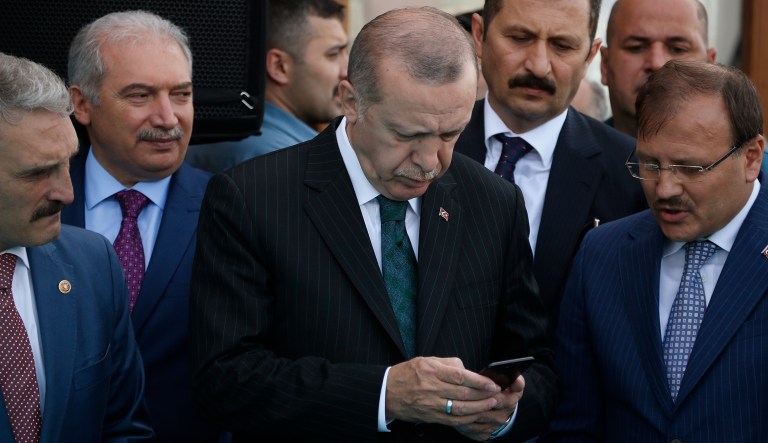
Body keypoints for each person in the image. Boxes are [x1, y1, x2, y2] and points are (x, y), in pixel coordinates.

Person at [190, 7, 558, 442]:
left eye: (450, 134)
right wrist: (382, 395)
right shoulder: (252, 198)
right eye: (405, 135)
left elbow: (539, 366)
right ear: (349, 100)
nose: (430, 163)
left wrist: (504, 414)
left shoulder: (493, 202)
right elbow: (223, 379)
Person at [543, 60, 767, 441]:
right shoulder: (601, 255)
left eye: (690, 168)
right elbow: (573, 425)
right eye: (649, 164)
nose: (664, 190)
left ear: (750, 158)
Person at [62, 11, 221, 443]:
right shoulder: (37, 207)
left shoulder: (231, 210)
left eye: (182, 94)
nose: (168, 117)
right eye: (140, 96)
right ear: (81, 103)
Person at [457, 0, 646, 336]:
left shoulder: (633, 174)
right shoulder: (429, 147)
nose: (539, 66)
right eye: (519, 38)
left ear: (590, 55)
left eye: (562, 46)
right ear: (480, 34)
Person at [0, 52, 153, 442]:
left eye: (68, 161)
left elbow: (123, 428)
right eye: (36, 173)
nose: (67, 194)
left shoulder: (92, 263)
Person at [185, 0, 348, 173]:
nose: (347, 70)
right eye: (333, 54)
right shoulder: (282, 160)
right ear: (279, 66)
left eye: (346, 51)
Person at [601, 0, 716, 137]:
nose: (657, 63)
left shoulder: (740, 157)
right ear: (605, 65)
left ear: (710, 66)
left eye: (677, 49)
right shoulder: (571, 156)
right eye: (636, 47)